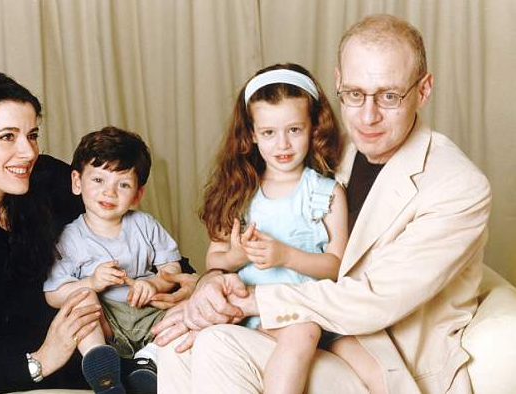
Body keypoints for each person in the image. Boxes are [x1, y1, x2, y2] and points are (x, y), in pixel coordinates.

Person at [153, 14, 491, 394]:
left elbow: (373, 299)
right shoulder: (323, 149)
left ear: (424, 90)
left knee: (218, 344)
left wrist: (246, 301)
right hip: (310, 335)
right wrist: (210, 288)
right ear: (338, 83)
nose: (368, 116)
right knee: (178, 345)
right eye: (355, 94)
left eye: (390, 96)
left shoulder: (457, 185)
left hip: (382, 358)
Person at [0, 70, 195, 394]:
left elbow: (135, 234)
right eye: (8, 136)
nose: (28, 152)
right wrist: (40, 360)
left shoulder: (46, 178)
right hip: (50, 374)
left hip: (127, 346)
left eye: (32, 135)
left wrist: (188, 282)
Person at [198, 62, 383, 394]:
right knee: (302, 331)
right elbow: (215, 259)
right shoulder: (239, 191)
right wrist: (237, 256)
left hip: (318, 308)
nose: (282, 144)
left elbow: (335, 265)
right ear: (252, 134)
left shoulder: (326, 193)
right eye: (269, 133)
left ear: (313, 128)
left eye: (294, 130)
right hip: (255, 312)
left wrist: (285, 255)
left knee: (378, 369)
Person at [44, 126, 183, 394]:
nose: (110, 192)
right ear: (77, 182)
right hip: (106, 322)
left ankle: (148, 362)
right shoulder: (69, 238)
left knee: (188, 310)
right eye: (98, 180)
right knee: (81, 300)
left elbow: (172, 269)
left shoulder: (145, 225)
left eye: (123, 184)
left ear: (137, 194)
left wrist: (154, 284)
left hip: (149, 314)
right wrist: (92, 282)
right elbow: (53, 294)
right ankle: (102, 364)